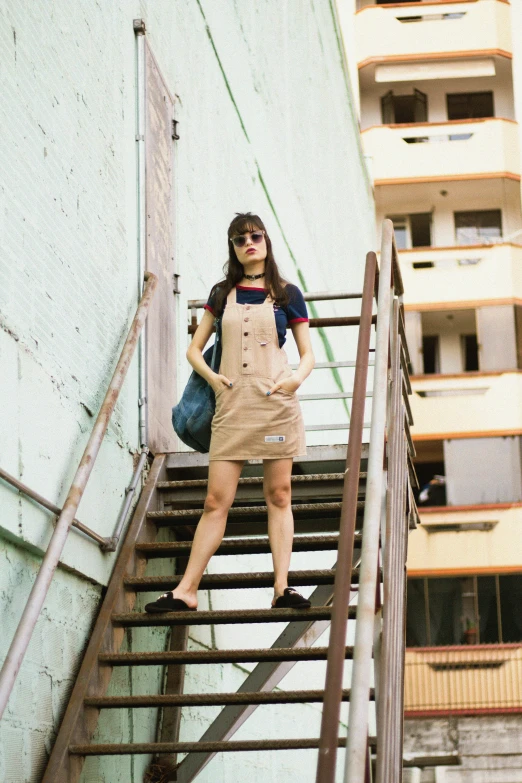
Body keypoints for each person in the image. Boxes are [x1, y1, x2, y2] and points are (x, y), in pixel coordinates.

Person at [145, 212, 315, 613]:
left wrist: (294, 381)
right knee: (214, 501)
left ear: (267, 241)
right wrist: (213, 378)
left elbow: (308, 355)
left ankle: (282, 587)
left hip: (275, 405)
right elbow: (192, 350)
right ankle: (186, 590)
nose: (249, 243)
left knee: (279, 494)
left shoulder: (288, 294)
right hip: (232, 407)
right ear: (233, 248)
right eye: (240, 240)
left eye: (256, 236)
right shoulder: (222, 293)